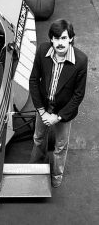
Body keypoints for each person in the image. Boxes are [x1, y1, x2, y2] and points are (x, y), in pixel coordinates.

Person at [29, 19, 88, 188]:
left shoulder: (81, 61)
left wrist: (58, 117)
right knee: (39, 138)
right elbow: (33, 80)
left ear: (70, 38)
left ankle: (56, 175)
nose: (59, 43)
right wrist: (42, 111)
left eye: (63, 38)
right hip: (44, 106)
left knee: (60, 146)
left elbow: (78, 96)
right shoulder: (42, 51)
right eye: (56, 38)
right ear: (51, 39)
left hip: (63, 110)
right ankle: (34, 168)